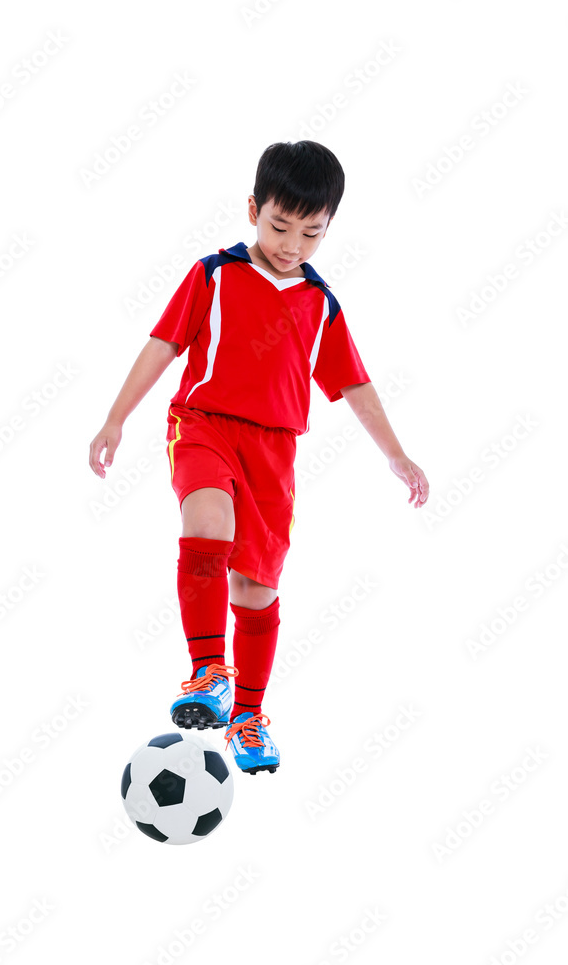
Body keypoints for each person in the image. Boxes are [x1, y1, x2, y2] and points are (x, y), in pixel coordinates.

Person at [89, 140, 429, 775]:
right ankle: (207, 670)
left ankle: (247, 715)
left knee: (255, 587)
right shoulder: (214, 274)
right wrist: (115, 418)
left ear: (328, 229)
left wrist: (398, 456)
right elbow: (165, 343)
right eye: (279, 225)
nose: (292, 244)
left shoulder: (320, 304)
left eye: (311, 232)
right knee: (207, 522)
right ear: (253, 208)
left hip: (274, 453)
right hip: (204, 425)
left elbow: (355, 386)